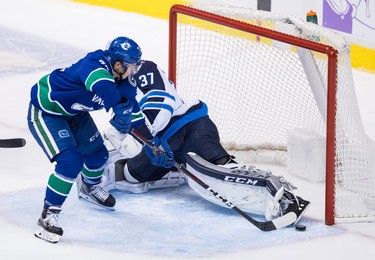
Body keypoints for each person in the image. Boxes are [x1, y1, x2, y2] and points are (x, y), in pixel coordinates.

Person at [97, 59, 310, 224]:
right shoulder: (114, 90)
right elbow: (120, 132)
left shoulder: (142, 69)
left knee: (222, 173)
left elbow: (162, 102)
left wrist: (150, 142)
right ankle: (173, 170)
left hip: (188, 128)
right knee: (130, 176)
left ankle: (284, 199)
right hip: (163, 147)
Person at [27, 36, 142, 243]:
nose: (135, 70)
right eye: (132, 65)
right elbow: (102, 85)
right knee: (71, 162)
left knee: (98, 155)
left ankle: (90, 187)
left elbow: (134, 112)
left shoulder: (125, 81)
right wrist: (119, 108)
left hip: (74, 113)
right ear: (118, 64)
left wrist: (152, 141)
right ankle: (47, 216)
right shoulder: (94, 64)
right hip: (46, 111)